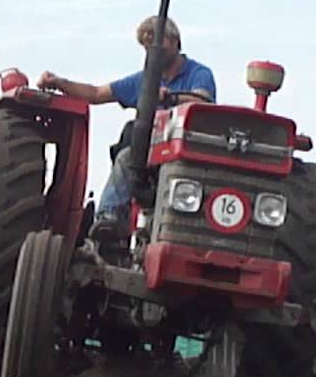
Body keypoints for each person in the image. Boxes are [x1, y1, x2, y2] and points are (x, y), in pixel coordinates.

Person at [37, 16, 216, 240]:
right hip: (152, 153)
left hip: (186, 153)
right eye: (148, 46)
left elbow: (203, 103)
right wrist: (59, 83)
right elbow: (96, 93)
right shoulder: (145, 80)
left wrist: (171, 98)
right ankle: (109, 218)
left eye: (159, 43)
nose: (153, 50)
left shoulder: (198, 74)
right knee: (127, 157)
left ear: (175, 41)